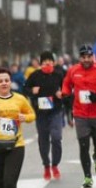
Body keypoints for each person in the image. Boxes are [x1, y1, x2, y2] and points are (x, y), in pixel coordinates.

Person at [62, 45, 96, 188]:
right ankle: (87, 177)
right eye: (83, 57)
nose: (86, 60)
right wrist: (66, 94)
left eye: (88, 57)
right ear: (80, 58)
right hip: (80, 114)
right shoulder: (73, 70)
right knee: (83, 146)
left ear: (93, 57)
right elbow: (66, 84)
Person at [24, 51, 66, 180]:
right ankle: (46, 166)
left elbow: (68, 90)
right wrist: (32, 91)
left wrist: (62, 94)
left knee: (56, 137)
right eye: (44, 61)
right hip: (41, 113)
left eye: (49, 61)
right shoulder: (35, 75)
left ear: (53, 62)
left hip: (56, 111)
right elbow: (24, 89)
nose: (47, 63)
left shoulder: (59, 75)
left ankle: (55, 165)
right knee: (43, 141)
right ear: (40, 64)